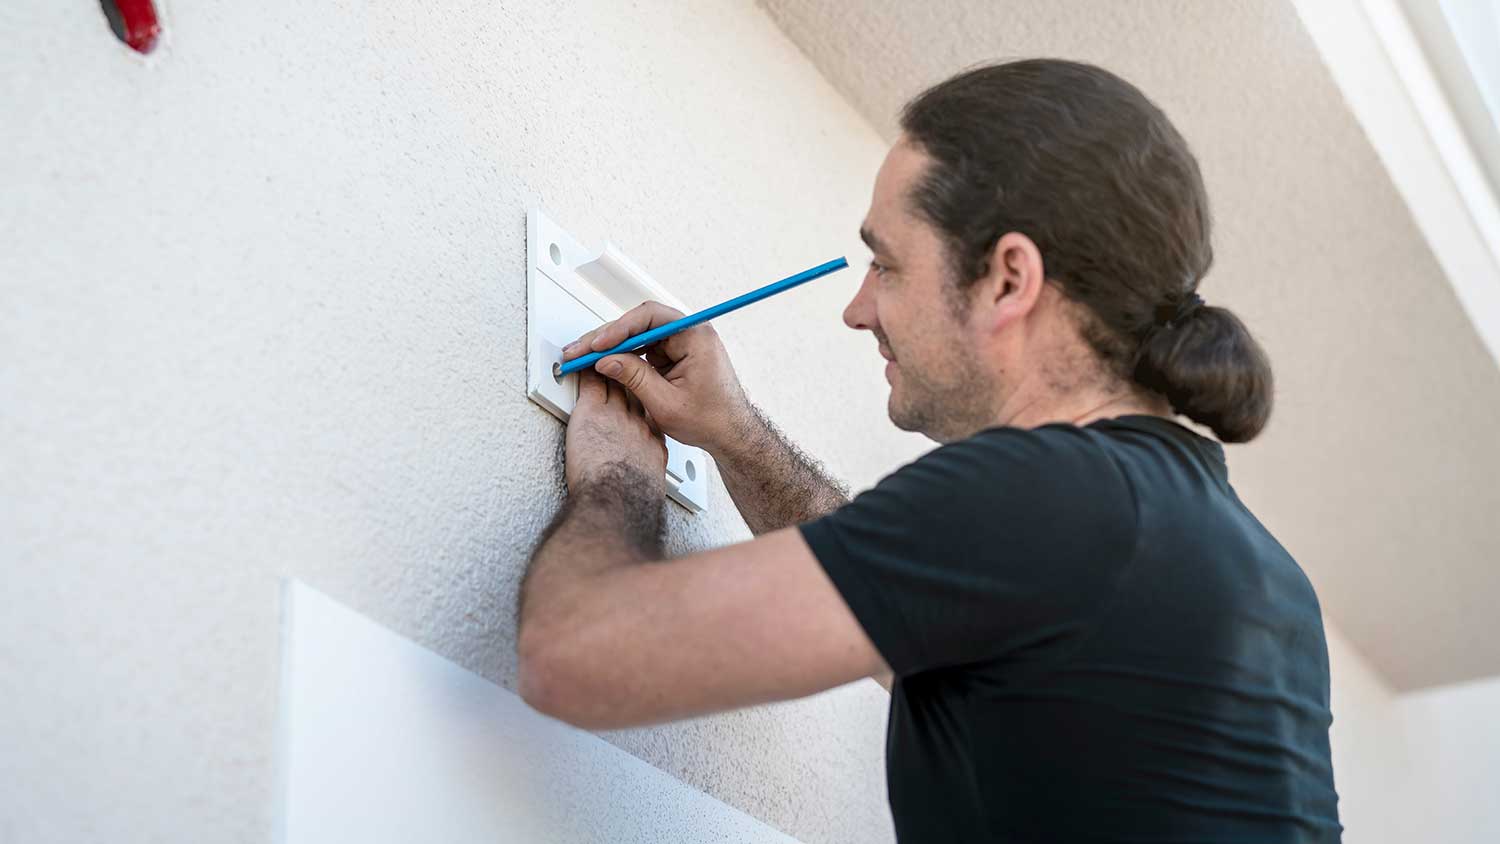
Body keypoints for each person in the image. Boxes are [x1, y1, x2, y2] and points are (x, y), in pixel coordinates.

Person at [516, 58, 1342, 842]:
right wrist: (735, 435)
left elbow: (572, 653)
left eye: (886, 264)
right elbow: (906, 597)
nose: (858, 308)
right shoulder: (1242, 563)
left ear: (1009, 279)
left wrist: (619, 480)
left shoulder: (1047, 496)